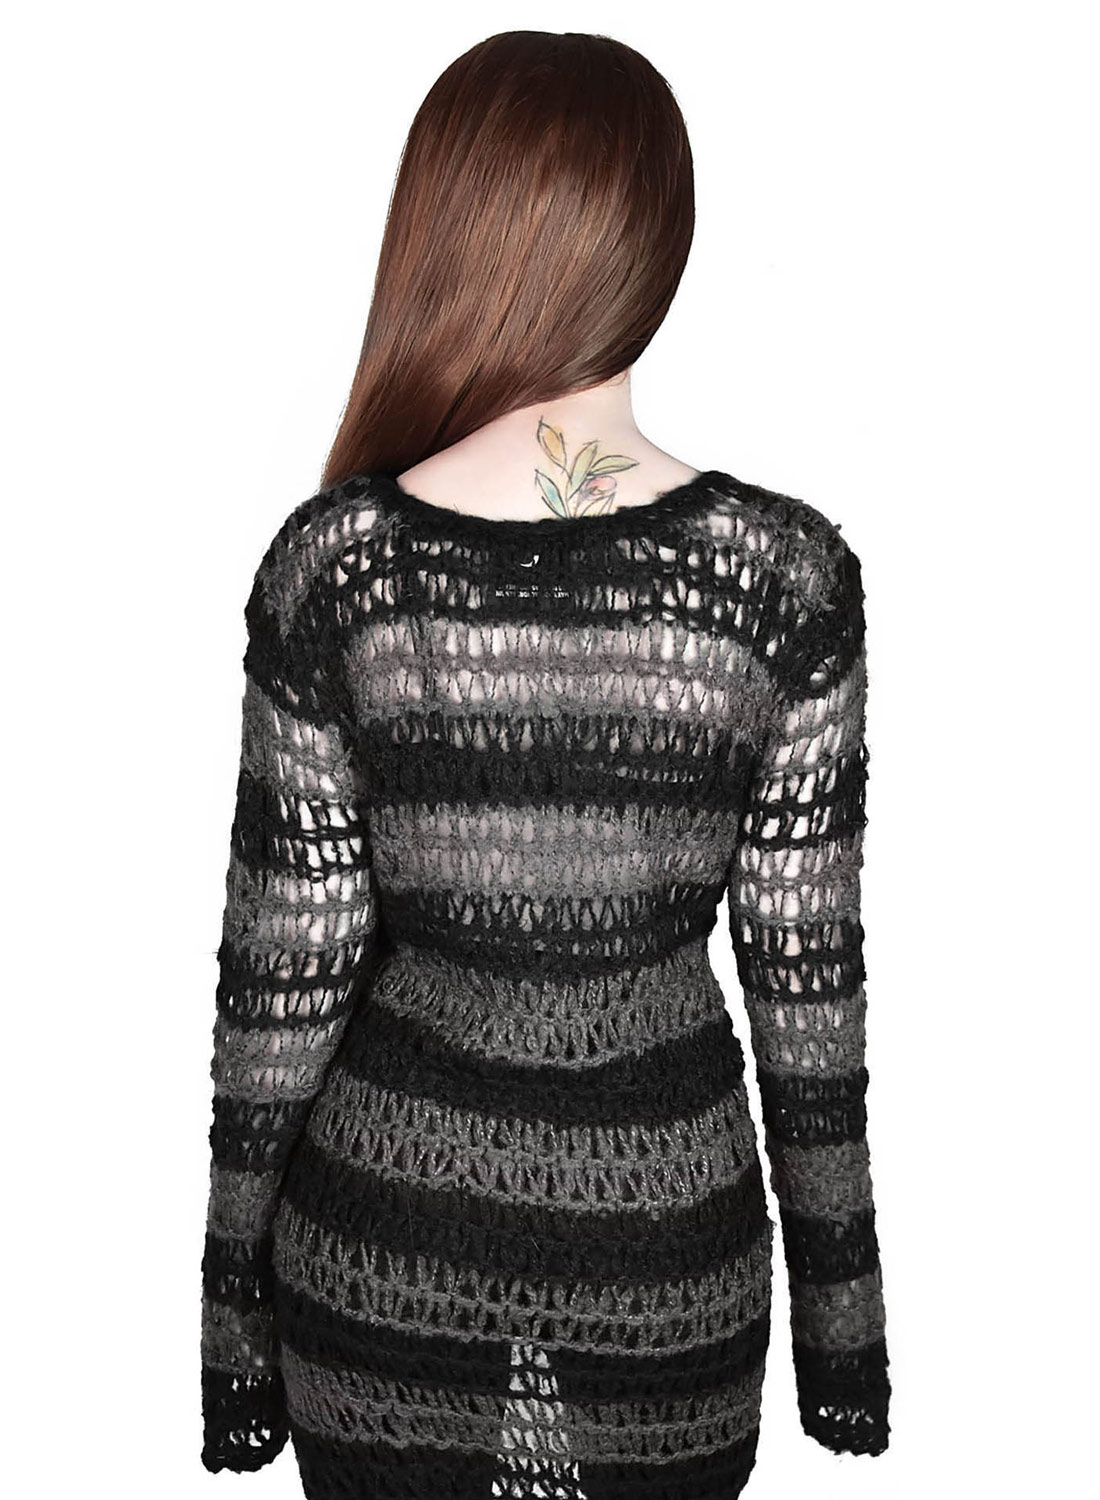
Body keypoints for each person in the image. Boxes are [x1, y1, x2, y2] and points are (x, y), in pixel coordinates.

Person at [199, 29, 891, 1499]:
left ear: (441, 226)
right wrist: (842, 1328)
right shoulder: (782, 579)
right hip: (670, 1262)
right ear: (658, 239)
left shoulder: (340, 568)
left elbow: (281, 991)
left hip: (381, 1247)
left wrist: (230, 1320)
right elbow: (807, 998)